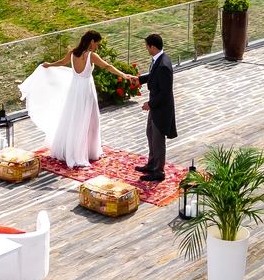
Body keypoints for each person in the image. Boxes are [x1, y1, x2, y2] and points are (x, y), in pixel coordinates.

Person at [19, 30, 136, 167]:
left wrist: (49, 65)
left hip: (75, 89)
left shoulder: (73, 53)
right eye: (96, 43)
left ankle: (72, 148)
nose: (97, 46)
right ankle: (85, 151)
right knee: (88, 119)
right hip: (86, 89)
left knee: (73, 118)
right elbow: (107, 66)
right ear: (92, 41)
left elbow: (62, 62)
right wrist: (124, 75)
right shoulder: (91, 55)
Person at [136, 33, 176, 181]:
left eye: (147, 46)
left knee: (158, 140)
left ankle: (158, 171)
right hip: (156, 108)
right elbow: (153, 76)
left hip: (161, 109)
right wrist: (139, 79)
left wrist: (150, 104)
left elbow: (165, 92)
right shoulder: (158, 60)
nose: (146, 48)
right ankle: (151, 164)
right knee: (150, 134)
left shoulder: (163, 65)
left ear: (152, 46)